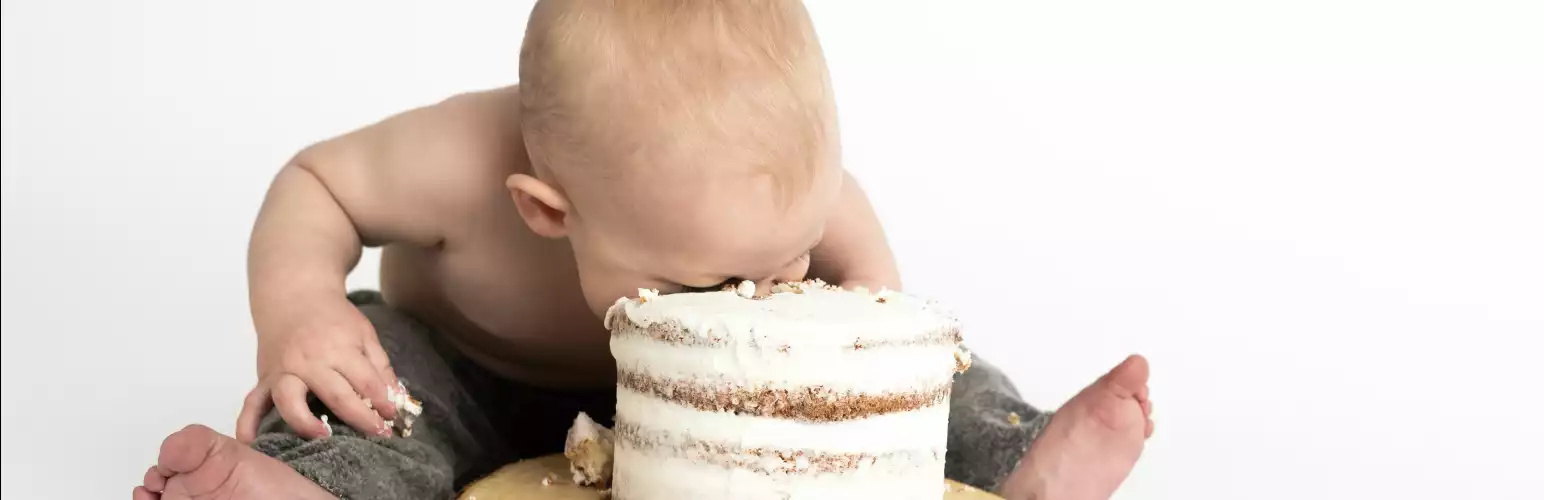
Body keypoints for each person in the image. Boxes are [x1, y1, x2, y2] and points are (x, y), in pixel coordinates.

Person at [133, 1, 1151, 499]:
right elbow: (314, 183)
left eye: (786, 255)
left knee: (940, 363)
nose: (753, 294)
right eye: (705, 281)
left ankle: (1019, 452)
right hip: (475, 379)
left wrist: (871, 352)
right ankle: (316, 482)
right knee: (380, 384)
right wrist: (302, 306)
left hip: (707, 424)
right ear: (545, 209)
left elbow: (871, 285)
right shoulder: (455, 159)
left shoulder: (780, 194)